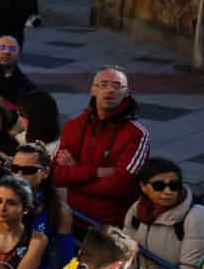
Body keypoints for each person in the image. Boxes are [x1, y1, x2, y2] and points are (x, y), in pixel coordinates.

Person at [52, 67, 149, 229]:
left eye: (117, 85)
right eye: (103, 84)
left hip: (112, 227)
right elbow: (55, 174)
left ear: (126, 93)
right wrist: (95, 172)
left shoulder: (137, 134)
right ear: (92, 90)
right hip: (74, 220)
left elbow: (121, 185)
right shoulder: (73, 126)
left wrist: (75, 173)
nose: (110, 90)